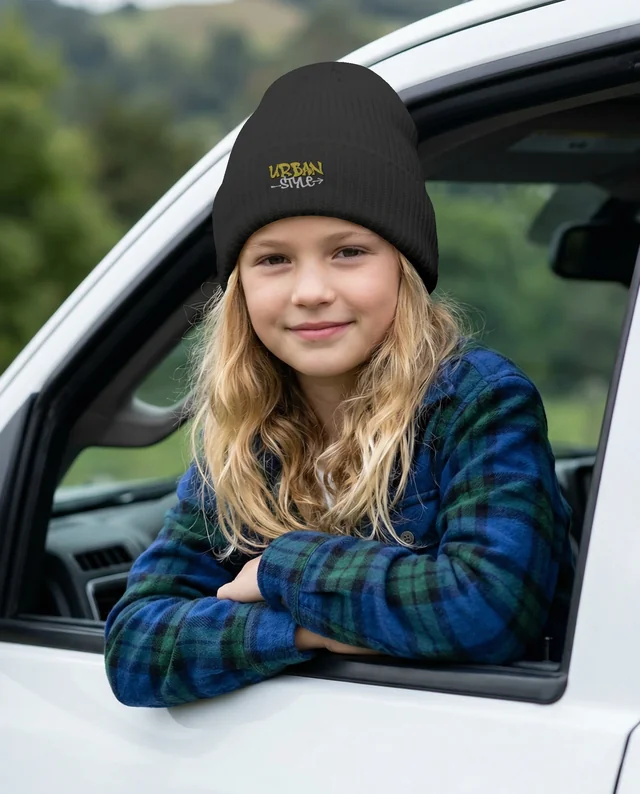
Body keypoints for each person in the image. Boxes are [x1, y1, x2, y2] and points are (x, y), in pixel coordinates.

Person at [104, 61, 574, 708]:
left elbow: (486, 611)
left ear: (404, 267)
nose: (312, 291)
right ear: (239, 288)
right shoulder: (243, 437)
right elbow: (134, 650)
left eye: (348, 251)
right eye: (273, 259)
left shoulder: (477, 402)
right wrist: (305, 627)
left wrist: (279, 568)